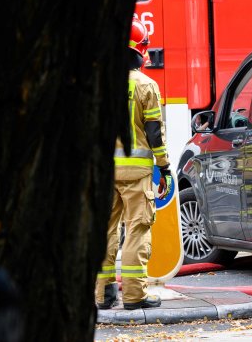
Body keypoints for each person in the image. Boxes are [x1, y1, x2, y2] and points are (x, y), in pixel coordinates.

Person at [96, 20, 170, 310]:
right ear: (141, 50)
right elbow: (154, 133)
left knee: (105, 231)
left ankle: (103, 295)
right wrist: (163, 167)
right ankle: (134, 296)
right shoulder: (147, 85)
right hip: (137, 174)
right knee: (137, 230)